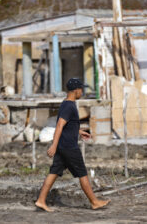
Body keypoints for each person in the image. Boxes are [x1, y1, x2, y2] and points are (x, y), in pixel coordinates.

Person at [35, 78, 110, 212]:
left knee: (54, 172)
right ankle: (94, 202)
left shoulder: (66, 103)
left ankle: (41, 200)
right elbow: (59, 126)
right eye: (81, 89)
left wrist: (79, 132)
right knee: (82, 173)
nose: (82, 91)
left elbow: (68, 125)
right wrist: (53, 145)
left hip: (63, 146)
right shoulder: (69, 106)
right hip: (69, 147)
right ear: (76, 90)